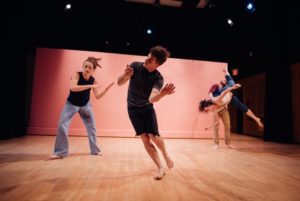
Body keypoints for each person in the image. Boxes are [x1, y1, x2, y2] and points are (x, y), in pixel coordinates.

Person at [117, 45, 175, 180]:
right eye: (148, 55)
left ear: (157, 64)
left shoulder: (158, 78)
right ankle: (160, 167)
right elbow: (119, 83)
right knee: (145, 138)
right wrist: (125, 75)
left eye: (151, 59)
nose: (147, 58)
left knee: (154, 137)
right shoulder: (135, 66)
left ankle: (165, 155)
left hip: (147, 109)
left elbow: (152, 99)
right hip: (132, 109)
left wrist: (162, 94)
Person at [50, 57, 114, 159]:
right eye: (85, 66)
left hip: (85, 105)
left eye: (90, 67)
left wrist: (106, 89)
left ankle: (95, 151)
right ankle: (60, 152)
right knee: (62, 125)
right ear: (83, 67)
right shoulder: (77, 75)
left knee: (92, 128)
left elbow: (97, 96)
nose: (87, 69)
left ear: (93, 70)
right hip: (71, 104)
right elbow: (73, 88)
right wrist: (90, 86)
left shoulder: (93, 80)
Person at [199, 84, 241, 149]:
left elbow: (224, 92)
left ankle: (228, 143)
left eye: (207, 109)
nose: (208, 111)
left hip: (223, 109)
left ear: (208, 105)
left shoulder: (216, 100)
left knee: (227, 125)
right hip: (218, 110)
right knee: (216, 127)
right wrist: (209, 127)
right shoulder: (213, 110)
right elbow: (216, 122)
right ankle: (216, 144)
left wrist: (233, 87)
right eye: (206, 111)